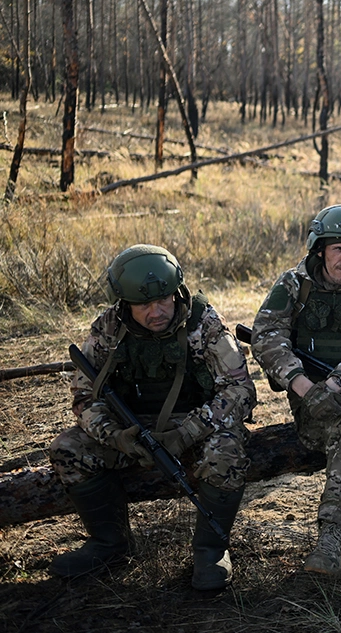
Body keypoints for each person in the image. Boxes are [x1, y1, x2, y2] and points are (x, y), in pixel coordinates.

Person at [49, 245, 255, 590]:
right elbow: (85, 395)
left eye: (164, 301)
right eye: (144, 305)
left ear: (176, 292)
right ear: (124, 303)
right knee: (68, 448)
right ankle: (110, 544)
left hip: (195, 423)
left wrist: (184, 435)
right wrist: (115, 436)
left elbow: (240, 391)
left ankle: (210, 549)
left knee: (226, 451)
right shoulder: (109, 328)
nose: (157, 311)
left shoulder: (203, 323)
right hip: (130, 427)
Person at [252, 205, 341, 574]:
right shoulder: (292, 285)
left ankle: (333, 537)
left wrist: (339, 382)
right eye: (338, 250)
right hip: (308, 397)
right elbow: (267, 338)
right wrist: (304, 386)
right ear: (320, 248)